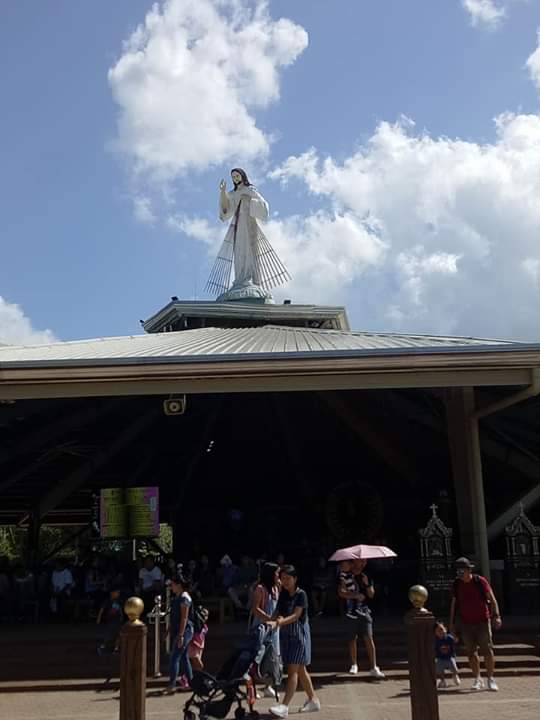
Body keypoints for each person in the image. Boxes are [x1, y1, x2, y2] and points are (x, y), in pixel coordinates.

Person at [206, 169, 290, 296]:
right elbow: (225, 210)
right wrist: (222, 192)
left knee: (249, 250)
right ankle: (240, 279)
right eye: (233, 177)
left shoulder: (250, 190)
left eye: (237, 175)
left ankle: (250, 278)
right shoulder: (233, 193)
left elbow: (264, 207)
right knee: (239, 251)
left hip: (249, 225)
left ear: (242, 176)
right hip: (238, 226)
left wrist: (248, 201)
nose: (235, 178)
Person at [267, 565, 320, 717]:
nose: (285, 581)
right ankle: (313, 700)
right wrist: (270, 621)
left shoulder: (301, 594)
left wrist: (279, 622)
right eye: (282, 578)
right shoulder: (283, 594)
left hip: (299, 637)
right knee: (301, 670)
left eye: (288, 578)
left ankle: (284, 706)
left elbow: (296, 615)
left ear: (295, 579)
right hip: (287, 637)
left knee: (292, 671)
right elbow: (277, 612)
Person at [449, 557, 502, 692]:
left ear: (469, 570)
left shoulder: (480, 581)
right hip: (466, 623)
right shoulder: (456, 584)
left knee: (487, 649)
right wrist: (452, 625)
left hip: (482, 621)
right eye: (458, 571)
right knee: (471, 652)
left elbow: (492, 599)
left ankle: (490, 678)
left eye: (462, 571)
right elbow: (454, 605)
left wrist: (496, 616)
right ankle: (478, 678)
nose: (460, 574)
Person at [338, 559, 385, 679]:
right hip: (350, 611)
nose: (363, 563)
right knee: (352, 638)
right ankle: (354, 664)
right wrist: (355, 595)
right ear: (354, 562)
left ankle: (374, 666)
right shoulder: (346, 575)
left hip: (364, 610)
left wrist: (367, 584)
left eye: (365, 561)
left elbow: (371, 594)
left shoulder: (366, 575)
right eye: (361, 561)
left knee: (368, 637)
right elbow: (341, 592)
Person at [250, 562, 281, 700]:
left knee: (273, 658)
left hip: (274, 630)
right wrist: (268, 619)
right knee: (256, 659)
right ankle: (251, 688)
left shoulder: (275, 588)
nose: (278, 575)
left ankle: (268, 686)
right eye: (276, 573)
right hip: (262, 628)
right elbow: (255, 608)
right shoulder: (260, 589)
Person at [165, 573, 194, 694]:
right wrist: (169, 630)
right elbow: (175, 617)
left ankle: (172, 684)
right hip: (179, 629)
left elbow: (184, 618)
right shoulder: (178, 597)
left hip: (185, 630)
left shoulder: (184, 598)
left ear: (179, 585)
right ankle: (192, 683)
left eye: (173, 584)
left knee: (175, 657)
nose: (171, 587)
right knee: (184, 658)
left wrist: (181, 635)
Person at [96, 586, 124, 654]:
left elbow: (120, 610)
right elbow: (102, 609)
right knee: (109, 635)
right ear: (112, 593)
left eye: (118, 593)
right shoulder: (107, 601)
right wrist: (99, 618)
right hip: (110, 621)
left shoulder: (119, 601)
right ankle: (102, 647)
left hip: (118, 620)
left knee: (118, 634)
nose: (118, 594)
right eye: (117, 592)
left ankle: (116, 648)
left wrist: (121, 616)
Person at [434, 620, 460, 689]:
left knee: (454, 669)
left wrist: (455, 638)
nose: (440, 632)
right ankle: (442, 680)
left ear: (445, 629)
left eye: (441, 629)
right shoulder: (436, 640)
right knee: (439, 670)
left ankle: (455, 676)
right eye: (438, 631)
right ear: (435, 633)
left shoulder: (449, 638)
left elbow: (455, 641)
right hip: (440, 657)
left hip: (450, 657)